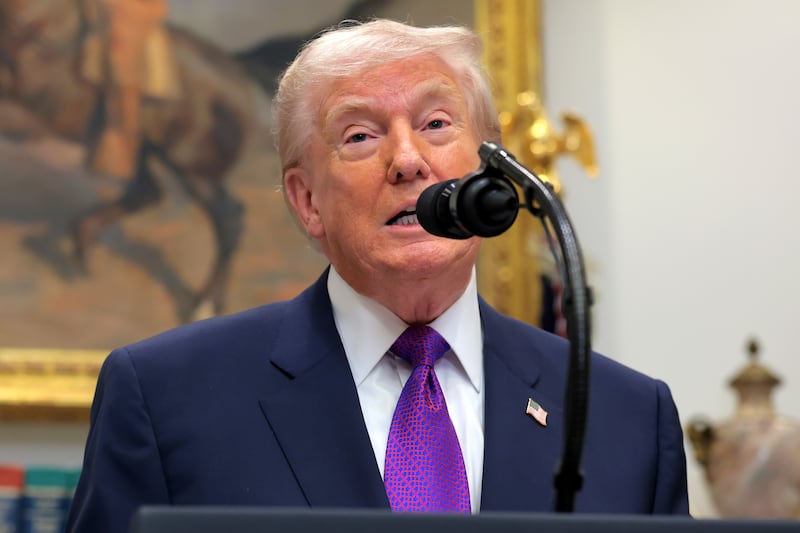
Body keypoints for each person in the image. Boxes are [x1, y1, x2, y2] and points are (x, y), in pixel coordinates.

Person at [65, 19, 689, 533]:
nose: (408, 160)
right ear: (306, 201)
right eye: (360, 135)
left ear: (491, 172)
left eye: (437, 124)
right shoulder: (165, 396)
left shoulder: (628, 415)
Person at [79, 0, 179, 179]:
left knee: (125, 103)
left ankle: (121, 163)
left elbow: (156, 10)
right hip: (111, 29)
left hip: (132, 33)